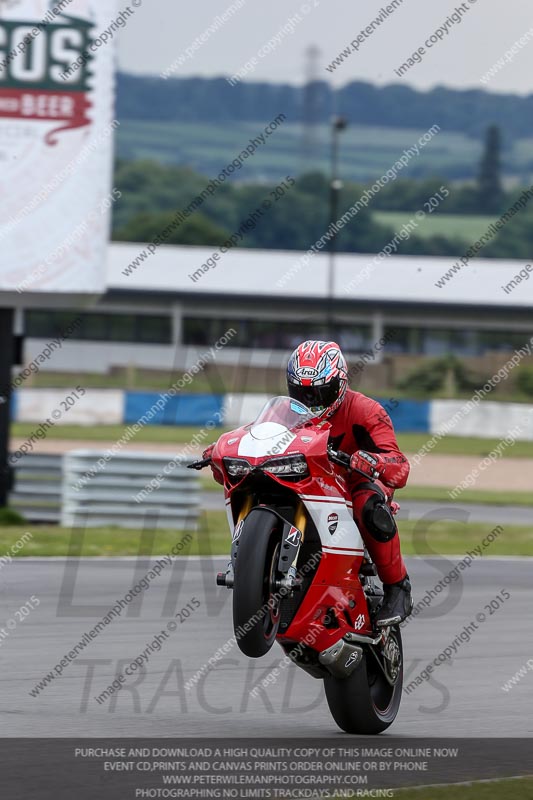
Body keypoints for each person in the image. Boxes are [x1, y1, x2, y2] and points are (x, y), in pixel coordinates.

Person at [286, 339, 413, 627]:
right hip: (308, 484)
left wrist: (373, 462)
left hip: (355, 484)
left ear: (340, 384)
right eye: (302, 392)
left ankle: (398, 587)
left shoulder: (366, 411)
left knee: (367, 504)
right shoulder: (289, 415)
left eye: (320, 391)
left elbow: (400, 466)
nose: (311, 401)